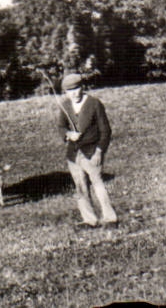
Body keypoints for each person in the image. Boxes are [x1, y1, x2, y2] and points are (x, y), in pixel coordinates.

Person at [54, 72, 117, 227]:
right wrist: (69, 134)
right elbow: (61, 126)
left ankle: (110, 218)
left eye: (76, 89)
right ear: (65, 92)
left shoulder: (94, 104)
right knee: (81, 186)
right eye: (69, 91)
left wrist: (99, 151)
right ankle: (90, 220)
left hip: (91, 152)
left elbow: (106, 131)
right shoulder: (65, 105)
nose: (74, 93)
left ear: (82, 87)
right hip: (73, 154)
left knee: (98, 184)